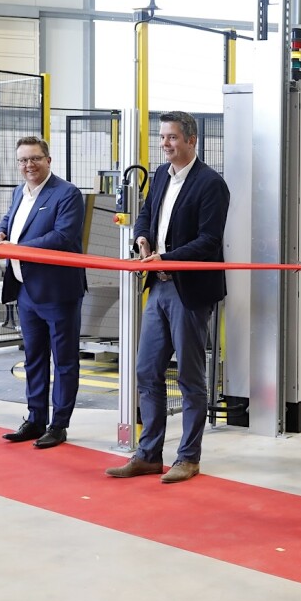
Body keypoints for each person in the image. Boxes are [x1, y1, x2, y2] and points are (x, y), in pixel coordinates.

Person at [105, 111, 229, 484]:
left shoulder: (211, 184)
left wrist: (167, 258)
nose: (165, 144)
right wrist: (142, 239)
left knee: (190, 376)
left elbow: (209, 241)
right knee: (147, 370)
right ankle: (148, 453)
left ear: (191, 140)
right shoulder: (161, 175)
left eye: (172, 137)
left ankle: (188, 457)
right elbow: (146, 214)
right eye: (162, 137)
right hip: (157, 285)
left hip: (188, 289)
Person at [0, 136, 87, 450]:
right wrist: (0, 232)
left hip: (58, 292)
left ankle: (58, 424)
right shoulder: (20, 191)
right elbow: (10, 219)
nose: (28, 165)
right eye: (22, 160)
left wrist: (15, 248)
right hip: (26, 291)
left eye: (34, 158)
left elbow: (62, 236)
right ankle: (35, 419)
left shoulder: (67, 194)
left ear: (48, 160)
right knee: (33, 359)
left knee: (63, 362)